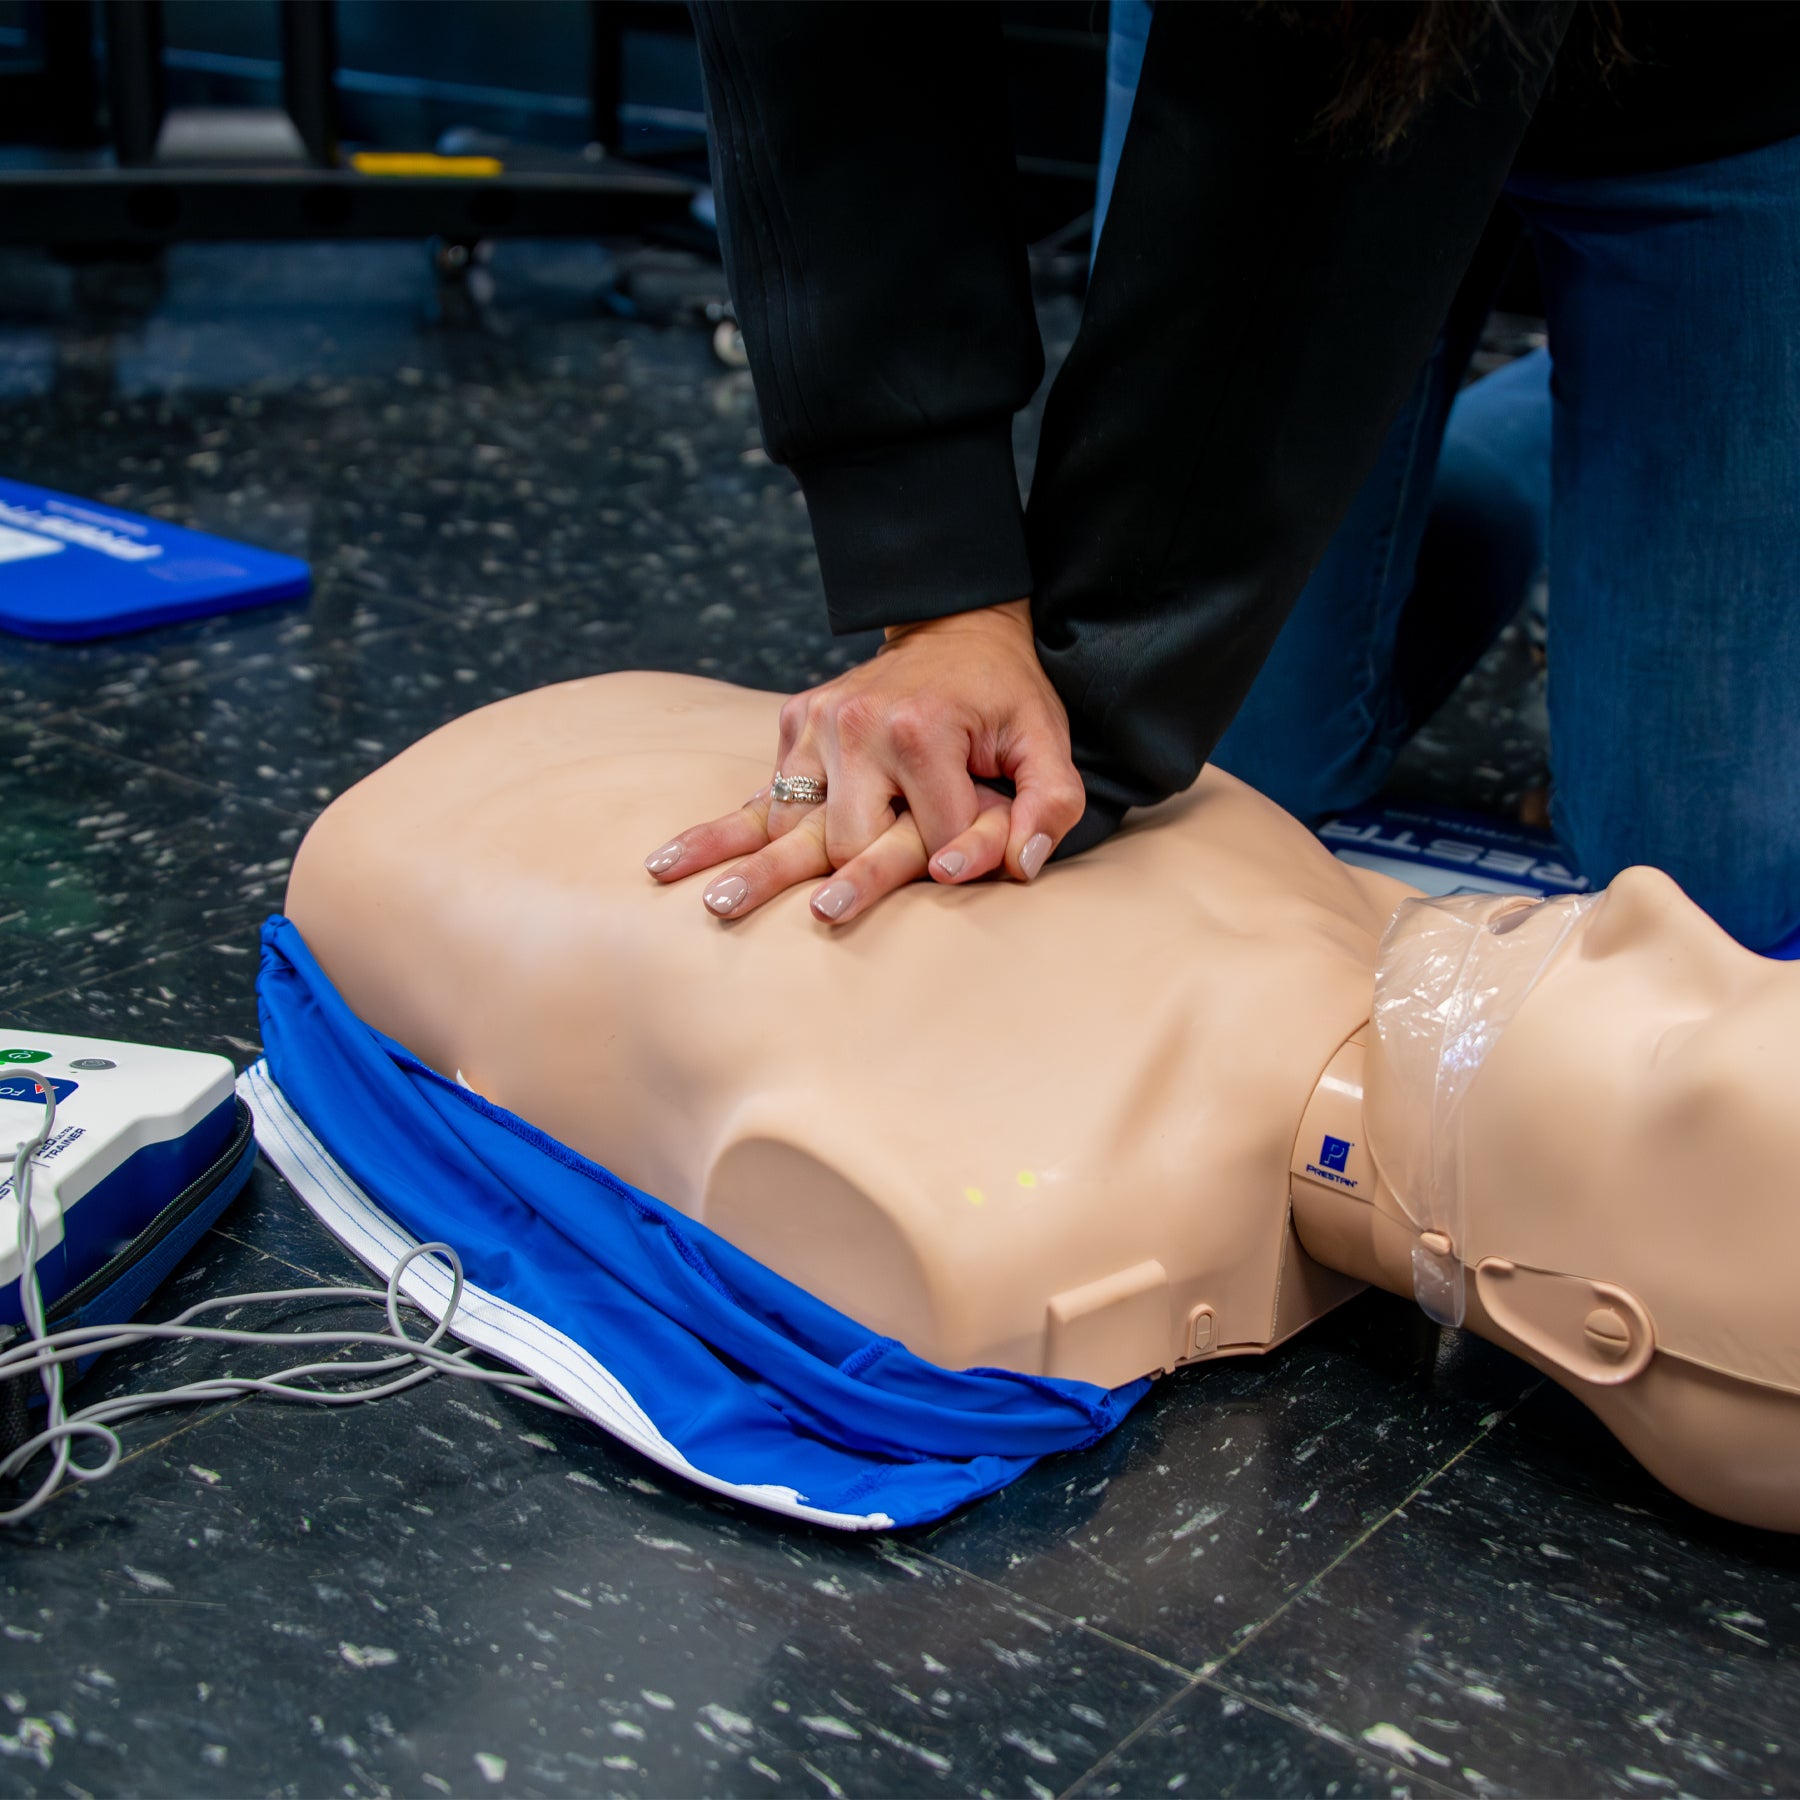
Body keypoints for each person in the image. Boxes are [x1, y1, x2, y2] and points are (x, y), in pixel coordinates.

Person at [284, 670, 1800, 1531]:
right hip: (584, 779)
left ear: (1591, 1322)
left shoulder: (999, 1220)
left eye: (1683, 1039)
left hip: (428, 848)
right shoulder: (1380, 951)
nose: (1656, 910)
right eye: (1750, 964)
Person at [655, 2, 1800, 951]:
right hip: (1271, 38)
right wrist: (943, 601)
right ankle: (1546, 434)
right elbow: (834, 54)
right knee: (1248, 768)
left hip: (1716, 84)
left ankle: (1613, 415)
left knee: (1706, 895)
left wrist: (1106, 674)